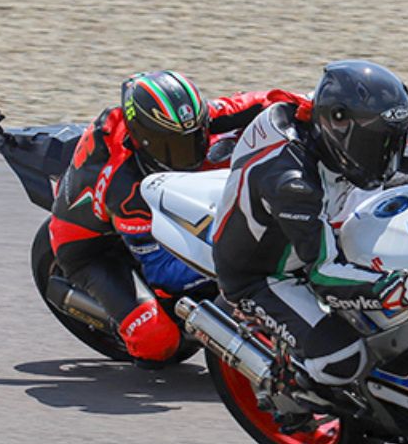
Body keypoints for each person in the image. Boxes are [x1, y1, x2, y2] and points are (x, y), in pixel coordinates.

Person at [211, 60, 408, 389]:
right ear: (339, 130)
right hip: (269, 275)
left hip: (334, 215)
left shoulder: (342, 122)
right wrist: (398, 288)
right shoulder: (292, 182)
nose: (386, 154)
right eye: (376, 145)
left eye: (388, 141)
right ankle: (295, 388)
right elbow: (323, 270)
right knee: (342, 360)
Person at [49, 70, 306, 365]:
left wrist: (311, 107)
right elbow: (163, 270)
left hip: (150, 201)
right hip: (92, 248)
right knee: (158, 342)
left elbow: (266, 103)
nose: (189, 154)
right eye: (171, 146)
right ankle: (117, 318)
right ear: (142, 140)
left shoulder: (195, 118)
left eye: (194, 138)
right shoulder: (127, 187)